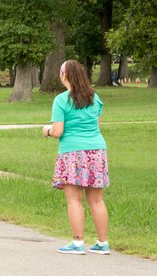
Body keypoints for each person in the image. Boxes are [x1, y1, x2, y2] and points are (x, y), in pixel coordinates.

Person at [42, 60, 110, 255]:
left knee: (74, 200)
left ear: (64, 76)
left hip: (72, 152)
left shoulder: (62, 100)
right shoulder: (94, 97)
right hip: (96, 150)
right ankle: (102, 243)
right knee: (96, 200)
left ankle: (78, 243)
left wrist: (46, 131)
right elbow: (96, 124)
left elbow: (58, 131)